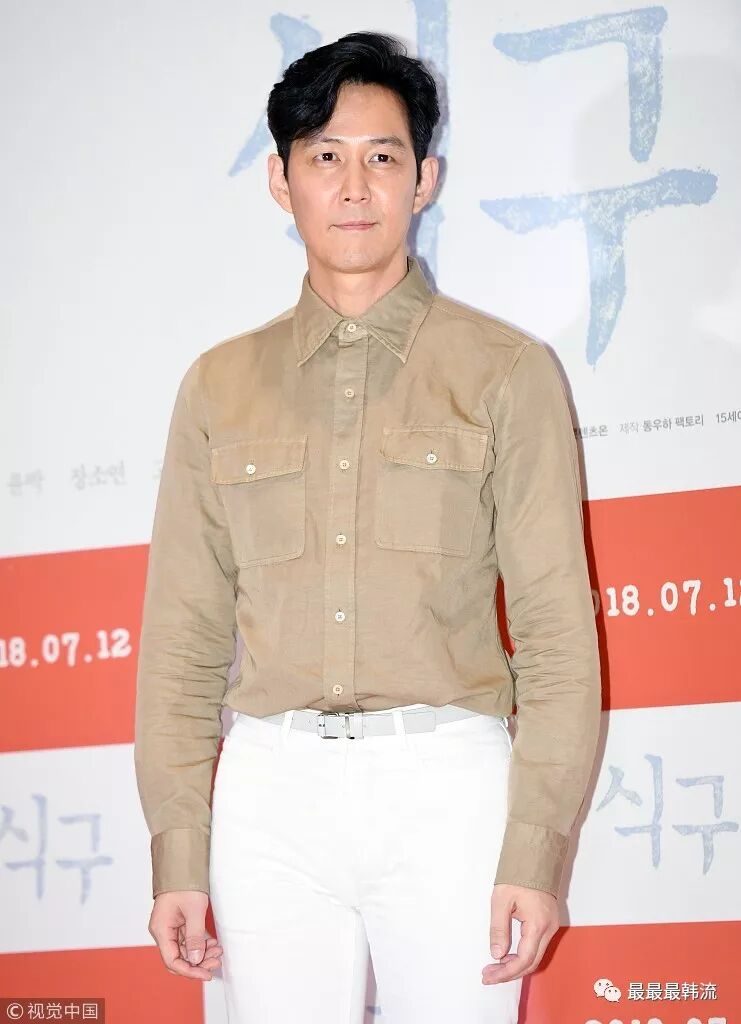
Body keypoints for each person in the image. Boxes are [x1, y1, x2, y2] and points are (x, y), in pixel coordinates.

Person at [134, 30, 602, 1024]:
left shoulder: (505, 372)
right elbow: (181, 642)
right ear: (281, 179)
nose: (354, 187)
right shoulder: (217, 386)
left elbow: (558, 635)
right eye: (325, 157)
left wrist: (534, 849)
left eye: (382, 156)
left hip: (448, 787)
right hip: (268, 793)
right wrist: (178, 850)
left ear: (425, 178)